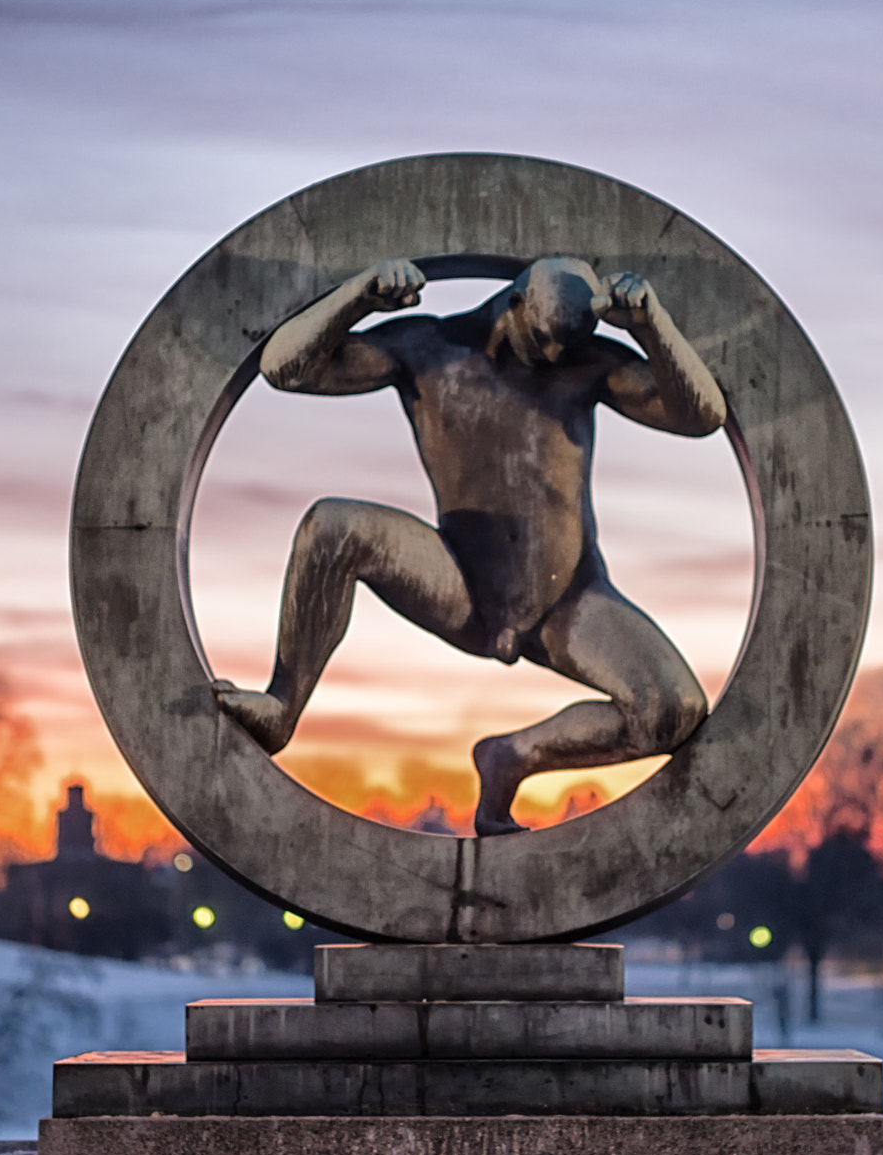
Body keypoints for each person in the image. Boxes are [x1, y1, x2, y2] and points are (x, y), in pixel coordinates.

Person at [214, 255, 727, 835]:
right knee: (334, 526)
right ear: (514, 306)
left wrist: (653, 324)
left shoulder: (589, 363)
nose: (555, 357)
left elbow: (701, 416)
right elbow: (285, 369)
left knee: (673, 710)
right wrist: (357, 297)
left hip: (568, 599)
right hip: (460, 581)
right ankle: (282, 706)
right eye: (543, 341)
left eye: (567, 345)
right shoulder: (427, 348)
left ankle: (513, 757)